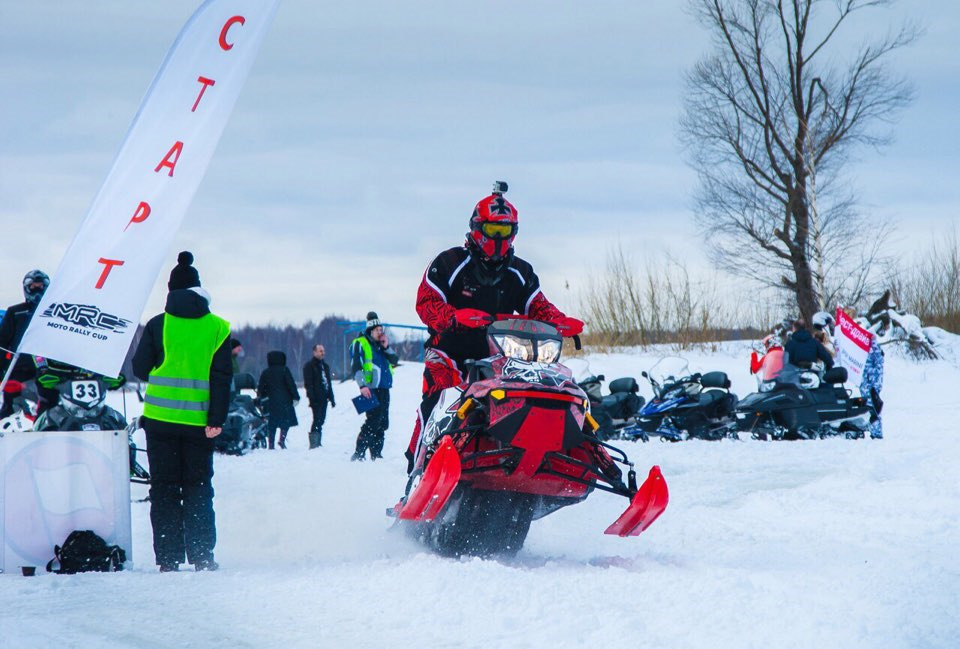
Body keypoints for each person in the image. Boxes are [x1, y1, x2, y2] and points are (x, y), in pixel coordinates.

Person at [406, 182, 584, 473]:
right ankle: (417, 471)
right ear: (478, 228)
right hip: (450, 349)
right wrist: (453, 317)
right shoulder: (450, 263)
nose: (500, 239)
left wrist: (558, 321)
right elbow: (426, 302)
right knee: (437, 396)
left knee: (539, 387)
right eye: (494, 231)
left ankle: (538, 455)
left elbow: (536, 304)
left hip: (500, 353)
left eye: (507, 232)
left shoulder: (520, 271)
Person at [132, 251, 232, 572]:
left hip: (159, 422)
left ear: (171, 291)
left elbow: (140, 368)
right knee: (198, 488)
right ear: (199, 290)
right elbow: (221, 378)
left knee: (163, 489)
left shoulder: (158, 325)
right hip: (199, 424)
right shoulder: (217, 328)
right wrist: (216, 420)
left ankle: (168, 558)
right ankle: (202, 556)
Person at [0, 270, 55, 418]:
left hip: (49, 369)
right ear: (26, 288)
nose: (37, 290)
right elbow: (3, 342)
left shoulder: (55, 312)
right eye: (33, 286)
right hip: (19, 367)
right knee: (12, 408)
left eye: (41, 286)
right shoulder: (15, 311)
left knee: (50, 406)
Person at [351, 312, 393, 461]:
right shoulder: (361, 342)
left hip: (384, 388)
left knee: (383, 422)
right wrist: (362, 385)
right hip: (370, 388)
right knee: (373, 421)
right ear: (370, 330)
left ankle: (376, 453)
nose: (380, 333)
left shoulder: (381, 346)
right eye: (377, 330)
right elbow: (356, 366)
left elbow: (394, 359)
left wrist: (386, 347)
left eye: (381, 330)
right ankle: (359, 452)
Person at [257, 350, 300, 449]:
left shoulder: (265, 372)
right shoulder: (285, 370)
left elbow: (261, 387)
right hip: (285, 401)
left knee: (272, 424)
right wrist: (296, 397)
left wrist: (261, 397)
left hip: (270, 402)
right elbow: (291, 384)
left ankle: (271, 444)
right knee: (285, 422)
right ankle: (282, 440)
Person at [302, 343, 335, 449]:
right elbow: (309, 384)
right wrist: (312, 398)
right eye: (320, 351)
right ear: (314, 352)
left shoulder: (325, 366)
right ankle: (314, 443)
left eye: (323, 351)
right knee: (317, 419)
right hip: (315, 397)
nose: (322, 353)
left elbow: (328, 383)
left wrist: (332, 397)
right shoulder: (309, 366)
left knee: (321, 419)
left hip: (324, 397)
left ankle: (318, 441)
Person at [861, 334, 885, 439]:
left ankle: (877, 433)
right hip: (866, 384)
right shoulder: (865, 350)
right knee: (868, 408)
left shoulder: (875, 350)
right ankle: (873, 430)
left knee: (873, 409)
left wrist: (874, 343)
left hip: (872, 384)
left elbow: (878, 365)